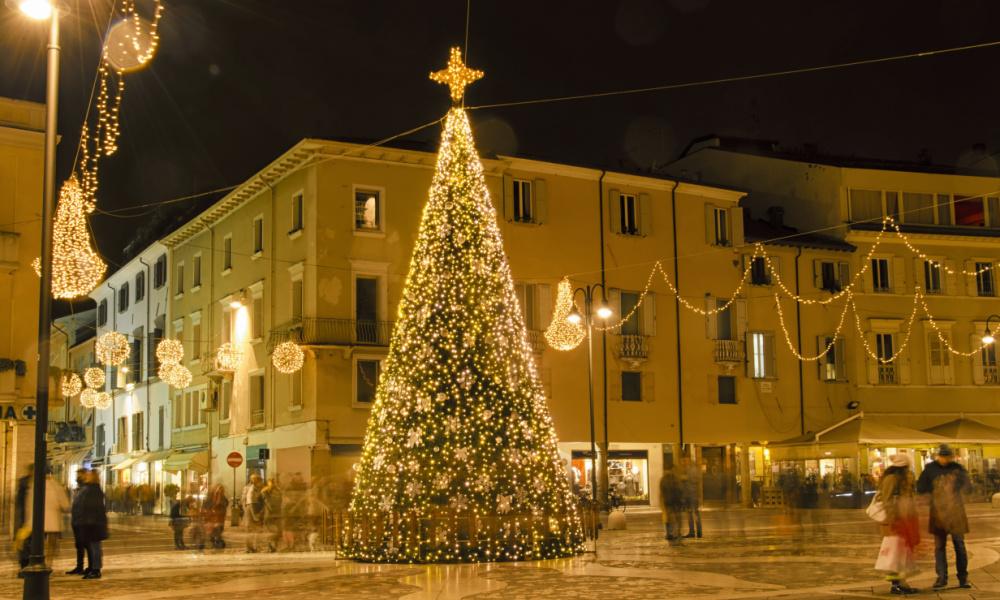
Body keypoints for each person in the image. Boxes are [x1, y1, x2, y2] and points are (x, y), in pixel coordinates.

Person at [917, 444, 972, 589]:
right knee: (939, 547)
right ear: (938, 456)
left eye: (948, 456)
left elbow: (968, 486)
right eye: (943, 456)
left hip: (956, 512)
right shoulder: (930, 469)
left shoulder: (957, 468)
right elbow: (921, 487)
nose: (945, 459)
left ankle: (963, 578)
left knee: (959, 545)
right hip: (938, 513)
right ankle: (941, 578)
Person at [874, 454, 920, 595]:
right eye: (907, 467)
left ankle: (902, 583)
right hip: (894, 523)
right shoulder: (891, 479)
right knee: (894, 555)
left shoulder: (902, 479)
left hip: (903, 521)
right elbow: (886, 500)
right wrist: (893, 519)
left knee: (901, 554)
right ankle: (896, 584)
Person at [24, 467, 71, 568]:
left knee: (38, 544)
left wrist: (28, 520)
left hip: (37, 522)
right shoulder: (56, 486)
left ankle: (38, 561)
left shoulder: (34, 485)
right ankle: (49, 563)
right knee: (51, 545)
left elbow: (29, 504)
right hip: (53, 522)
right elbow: (65, 505)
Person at [75, 469, 108, 579]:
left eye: (88, 475)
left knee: (95, 547)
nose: (85, 477)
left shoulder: (93, 490)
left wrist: (88, 520)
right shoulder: (91, 489)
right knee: (92, 546)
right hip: (91, 522)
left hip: (93, 523)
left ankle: (96, 569)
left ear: (92, 477)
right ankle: (92, 568)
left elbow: (92, 507)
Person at [67, 469, 90, 574]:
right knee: (79, 545)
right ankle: (79, 566)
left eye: (80, 475)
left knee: (86, 545)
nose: (78, 478)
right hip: (77, 521)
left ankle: (90, 567)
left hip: (83, 522)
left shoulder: (87, 489)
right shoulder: (79, 489)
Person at [659, 467, 685, 543]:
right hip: (676, 501)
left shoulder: (663, 479)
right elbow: (680, 489)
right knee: (677, 518)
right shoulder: (676, 479)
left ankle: (670, 533)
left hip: (668, 501)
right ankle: (678, 533)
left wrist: (663, 501)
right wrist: (681, 499)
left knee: (669, 518)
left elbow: (662, 491)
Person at [681, 457, 703, 538]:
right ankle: (697, 531)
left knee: (692, 513)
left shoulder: (691, 469)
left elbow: (691, 480)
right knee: (694, 513)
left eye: (684, 461)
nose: (683, 462)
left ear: (688, 460)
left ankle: (693, 532)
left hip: (691, 495)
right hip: (693, 495)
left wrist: (683, 477)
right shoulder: (694, 469)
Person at [243, 474, 265, 552]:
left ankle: (253, 547)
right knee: (250, 530)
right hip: (251, 510)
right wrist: (254, 515)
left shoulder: (257, 489)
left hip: (255, 509)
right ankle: (249, 548)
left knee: (255, 530)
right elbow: (251, 503)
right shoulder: (252, 490)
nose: (262, 483)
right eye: (260, 481)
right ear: (257, 482)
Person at [203, 484, 229, 549]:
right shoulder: (210, 498)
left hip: (219, 517)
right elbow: (206, 505)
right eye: (219, 490)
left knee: (219, 530)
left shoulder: (223, 498)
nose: (220, 491)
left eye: (221, 490)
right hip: (211, 517)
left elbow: (225, 504)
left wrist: (220, 498)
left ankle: (217, 541)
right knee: (213, 531)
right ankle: (215, 541)